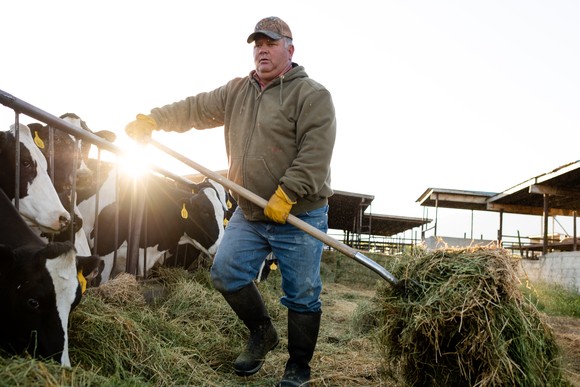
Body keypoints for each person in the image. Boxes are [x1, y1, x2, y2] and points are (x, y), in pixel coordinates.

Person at [125, 16, 336, 386]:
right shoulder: (238, 91)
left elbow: (316, 153)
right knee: (226, 272)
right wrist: (154, 119)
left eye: (270, 43)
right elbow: (195, 108)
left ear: (290, 48)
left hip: (299, 214)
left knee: (302, 293)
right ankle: (262, 333)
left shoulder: (312, 95)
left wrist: (287, 193)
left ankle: (298, 367)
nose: (262, 50)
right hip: (252, 212)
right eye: (257, 44)